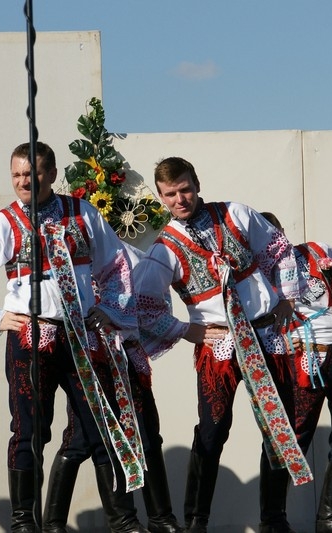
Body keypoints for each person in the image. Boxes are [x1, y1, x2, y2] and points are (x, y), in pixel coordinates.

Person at [0, 141, 146, 533]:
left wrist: (109, 309)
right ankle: (24, 521)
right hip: (31, 338)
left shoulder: (82, 213)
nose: (24, 182)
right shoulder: (2, 224)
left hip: (81, 335)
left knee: (103, 425)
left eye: (32, 173)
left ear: (51, 174)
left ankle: (124, 521)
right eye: (17, 175)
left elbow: (117, 264)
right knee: (29, 431)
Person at [132, 156, 313, 533]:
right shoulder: (165, 247)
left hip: (265, 335)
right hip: (221, 346)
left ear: (196, 184)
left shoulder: (235, 214)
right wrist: (185, 330)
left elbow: (279, 249)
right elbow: (144, 304)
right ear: (162, 197)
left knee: (278, 425)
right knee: (213, 430)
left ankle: (274, 519)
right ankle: (197, 521)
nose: (179, 199)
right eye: (170, 194)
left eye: (184, 189)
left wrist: (288, 297)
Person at [42, 244, 183, 533]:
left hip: (125, 353)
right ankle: (58, 524)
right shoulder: (70, 252)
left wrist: (124, 322)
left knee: (146, 433)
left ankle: (160, 517)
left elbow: (149, 302)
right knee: (83, 438)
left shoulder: (131, 254)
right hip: (92, 356)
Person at [261, 212, 332, 533]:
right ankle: (272, 520)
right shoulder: (256, 276)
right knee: (291, 437)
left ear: (284, 232)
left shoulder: (317, 251)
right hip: (300, 359)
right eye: (264, 239)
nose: (273, 243)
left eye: (276, 234)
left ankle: (329, 519)